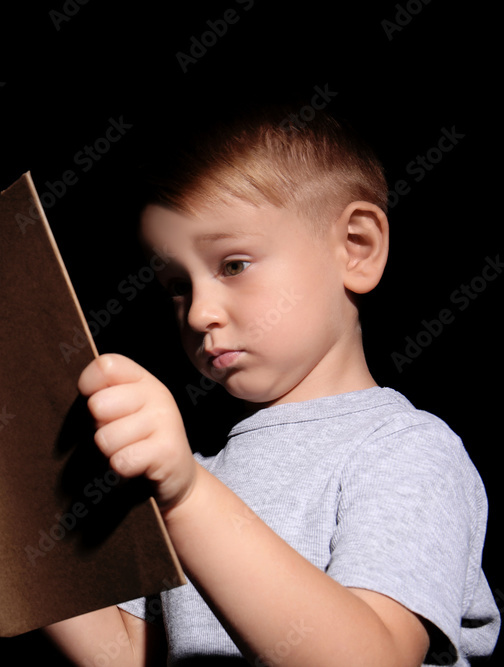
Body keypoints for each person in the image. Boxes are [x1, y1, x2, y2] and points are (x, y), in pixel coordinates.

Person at [43, 106, 499, 666]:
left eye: (233, 264)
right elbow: (131, 657)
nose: (199, 313)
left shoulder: (406, 450)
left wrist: (186, 499)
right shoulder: (196, 473)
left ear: (356, 247)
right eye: (176, 286)